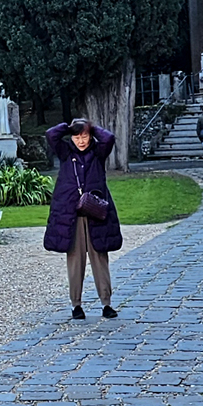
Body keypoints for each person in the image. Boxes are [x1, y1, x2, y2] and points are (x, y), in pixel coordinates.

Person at [43, 116, 123, 320]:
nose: (81, 140)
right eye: (77, 137)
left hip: (96, 213)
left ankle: (106, 303)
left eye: (84, 136)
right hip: (72, 215)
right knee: (75, 260)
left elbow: (109, 138)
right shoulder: (65, 152)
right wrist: (69, 126)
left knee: (100, 258)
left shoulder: (98, 152)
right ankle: (76, 305)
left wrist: (92, 126)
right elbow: (51, 135)